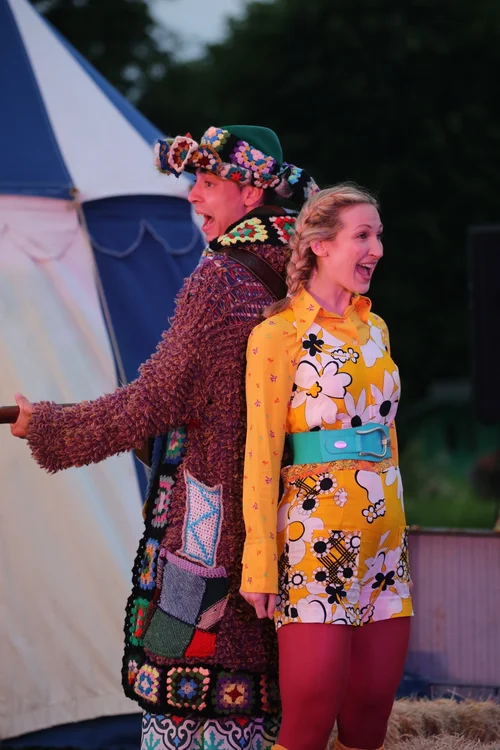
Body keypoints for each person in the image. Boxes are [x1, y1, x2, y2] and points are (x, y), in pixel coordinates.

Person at [10, 125, 319, 750]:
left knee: (182, 679)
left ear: (251, 193)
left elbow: (154, 400)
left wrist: (46, 424)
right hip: (289, 523)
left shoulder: (221, 280)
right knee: (269, 705)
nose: (192, 196)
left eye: (206, 182)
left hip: (210, 523)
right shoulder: (307, 278)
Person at [240, 184, 413, 750]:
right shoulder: (277, 334)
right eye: (363, 235)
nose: (377, 249)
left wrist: (396, 526)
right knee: (310, 717)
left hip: (384, 543)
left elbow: (387, 436)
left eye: (379, 236)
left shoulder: (376, 329)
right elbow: (262, 453)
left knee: (370, 714)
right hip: (315, 543)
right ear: (319, 244)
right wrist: (259, 564)